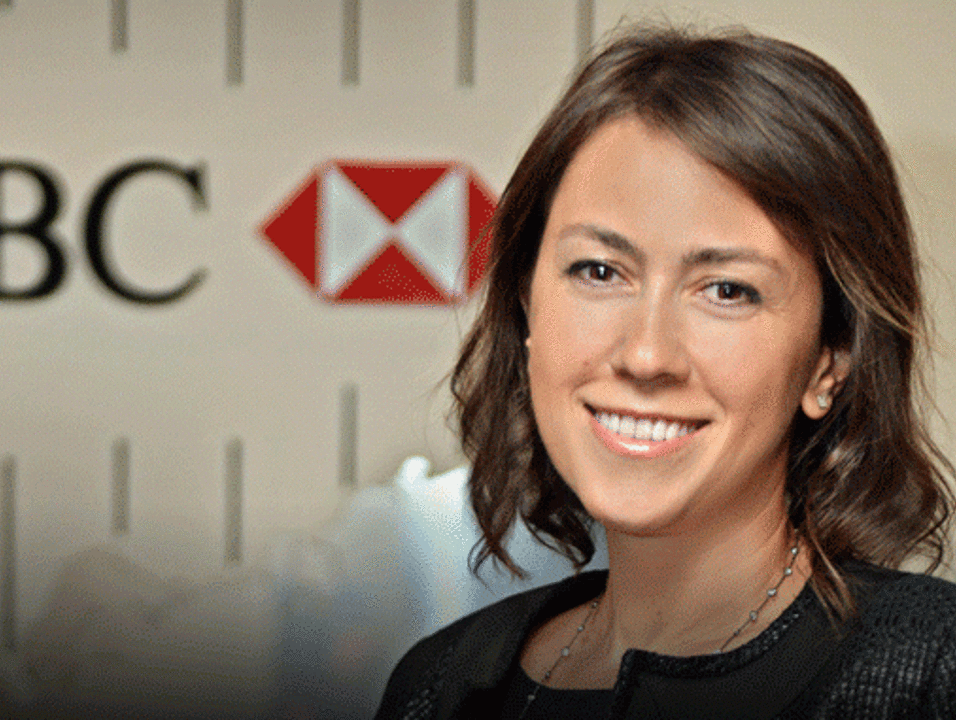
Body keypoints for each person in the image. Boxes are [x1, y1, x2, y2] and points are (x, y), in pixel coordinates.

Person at [374, 25, 956, 720]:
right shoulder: (440, 684)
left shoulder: (932, 671)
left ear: (831, 359)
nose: (647, 355)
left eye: (727, 290)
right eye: (599, 271)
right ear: (527, 303)